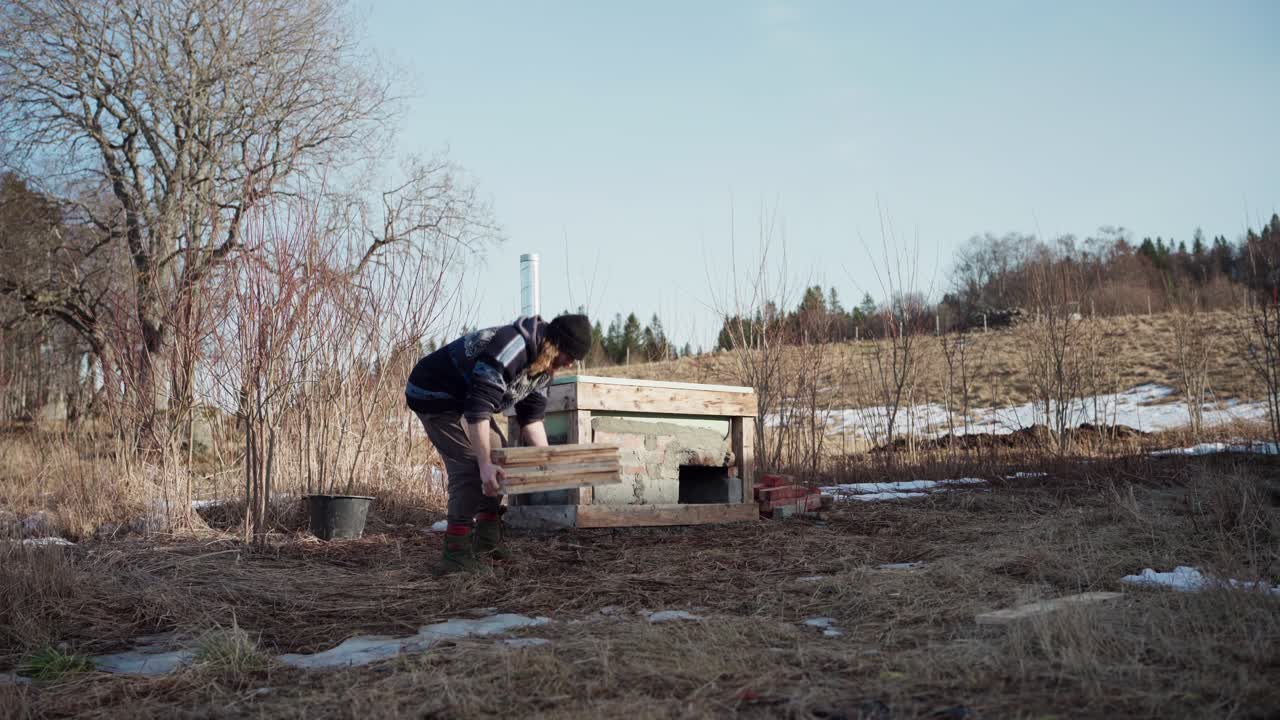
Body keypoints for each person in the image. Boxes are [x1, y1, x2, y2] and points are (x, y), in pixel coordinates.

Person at [405, 313, 592, 574]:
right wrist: (483, 465)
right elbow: (479, 408)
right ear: (555, 345)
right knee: (470, 470)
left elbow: (532, 419)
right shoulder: (512, 348)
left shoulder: (543, 369)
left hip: (465, 400)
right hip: (434, 394)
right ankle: (455, 553)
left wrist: (548, 460)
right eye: (570, 356)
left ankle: (486, 541)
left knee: (500, 460)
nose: (570, 364)